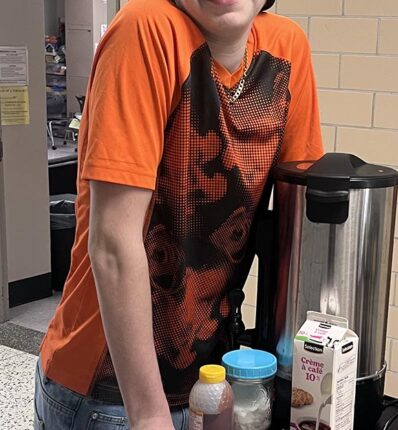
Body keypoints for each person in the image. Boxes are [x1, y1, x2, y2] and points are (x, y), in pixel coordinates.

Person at [35, 0, 323, 428]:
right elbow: (113, 244)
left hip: (211, 378)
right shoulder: (146, 29)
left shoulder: (286, 48)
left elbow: (302, 224)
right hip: (112, 393)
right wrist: (150, 417)